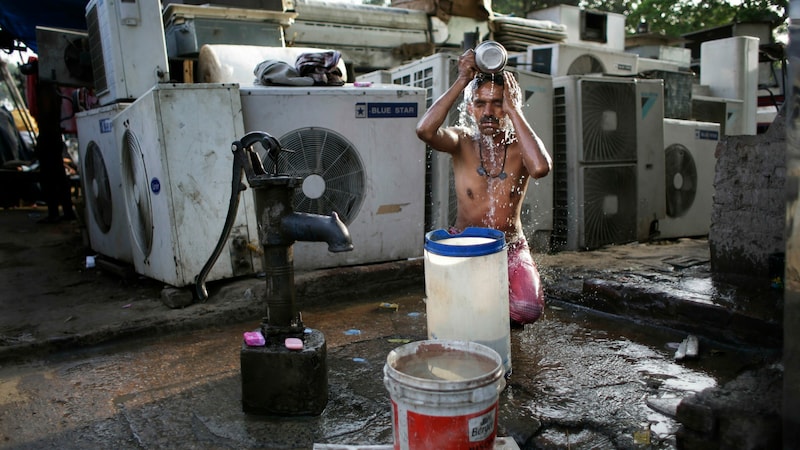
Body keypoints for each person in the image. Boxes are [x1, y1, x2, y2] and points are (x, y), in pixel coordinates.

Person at [415, 48, 552, 325]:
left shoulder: (519, 145)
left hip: (510, 246)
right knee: (460, 310)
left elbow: (540, 168)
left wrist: (514, 111)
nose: (488, 112)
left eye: (498, 103)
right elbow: (425, 131)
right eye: (480, 103)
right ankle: (486, 318)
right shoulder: (462, 140)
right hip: (465, 243)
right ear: (469, 107)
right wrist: (461, 80)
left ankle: (494, 319)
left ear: (511, 105)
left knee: (527, 309)